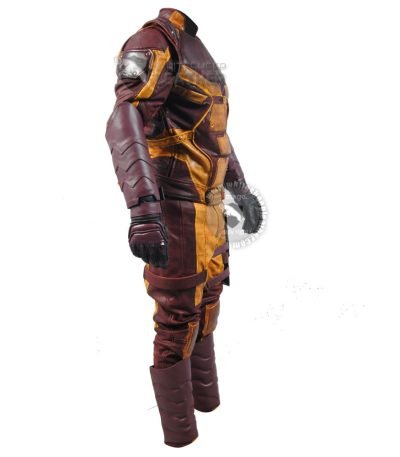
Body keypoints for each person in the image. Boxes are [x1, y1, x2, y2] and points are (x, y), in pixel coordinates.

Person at [105, 8, 263, 447]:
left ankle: (207, 409)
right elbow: (124, 119)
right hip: (175, 206)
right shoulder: (155, 41)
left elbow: (213, 135)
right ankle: (181, 437)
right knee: (177, 315)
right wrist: (143, 209)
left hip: (208, 207)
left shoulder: (195, 46)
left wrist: (239, 188)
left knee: (207, 299)